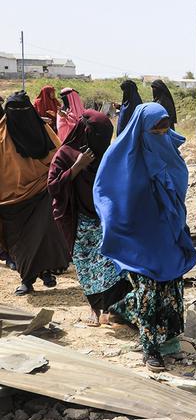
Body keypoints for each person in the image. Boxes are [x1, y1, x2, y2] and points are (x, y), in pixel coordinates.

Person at [94, 103, 196, 371]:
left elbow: (179, 192)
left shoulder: (169, 155)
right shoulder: (122, 159)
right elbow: (107, 195)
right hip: (138, 239)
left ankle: (150, 328)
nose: (162, 136)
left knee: (171, 287)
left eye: (165, 130)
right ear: (142, 130)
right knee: (148, 292)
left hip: (166, 235)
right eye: (156, 131)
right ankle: (150, 350)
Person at [48, 111, 130, 325]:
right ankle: (94, 307)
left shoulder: (107, 153)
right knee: (85, 265)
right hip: (77, 217)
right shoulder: (65, 154)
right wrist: (77, 166)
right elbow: (53, 187)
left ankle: (114, 309)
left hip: (105, 218)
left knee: (111, 264)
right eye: (98, 135)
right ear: (86, 133)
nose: (101, 141)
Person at [0, 92, 69, 295]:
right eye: (15, 111)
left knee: (43, 236)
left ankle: (39, 275)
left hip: (41, 193)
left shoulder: (44, 130)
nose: (20, 116)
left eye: (23, 110)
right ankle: (29, 277)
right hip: (10, 201)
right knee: (19, 242)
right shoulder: (2, 134)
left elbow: (59, 157)